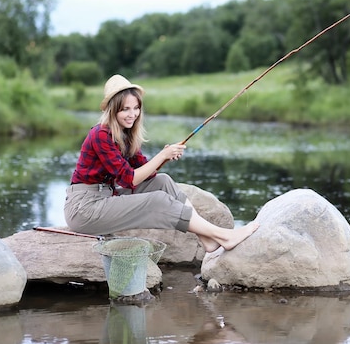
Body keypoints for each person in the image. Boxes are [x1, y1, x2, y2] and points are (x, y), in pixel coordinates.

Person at [64, 74, 259, 252]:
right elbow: (128, 180)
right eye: (125, 109)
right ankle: (224, 236)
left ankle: (206, 238)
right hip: (84, 208)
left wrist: (164, 156)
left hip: (105, 198)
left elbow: (146, 173)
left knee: (163, 181)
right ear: (112, 110)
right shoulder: (100, 134)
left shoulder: (125, 135)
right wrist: (162, 155)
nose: (133, 114)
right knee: (157, 200)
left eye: (136, 108)